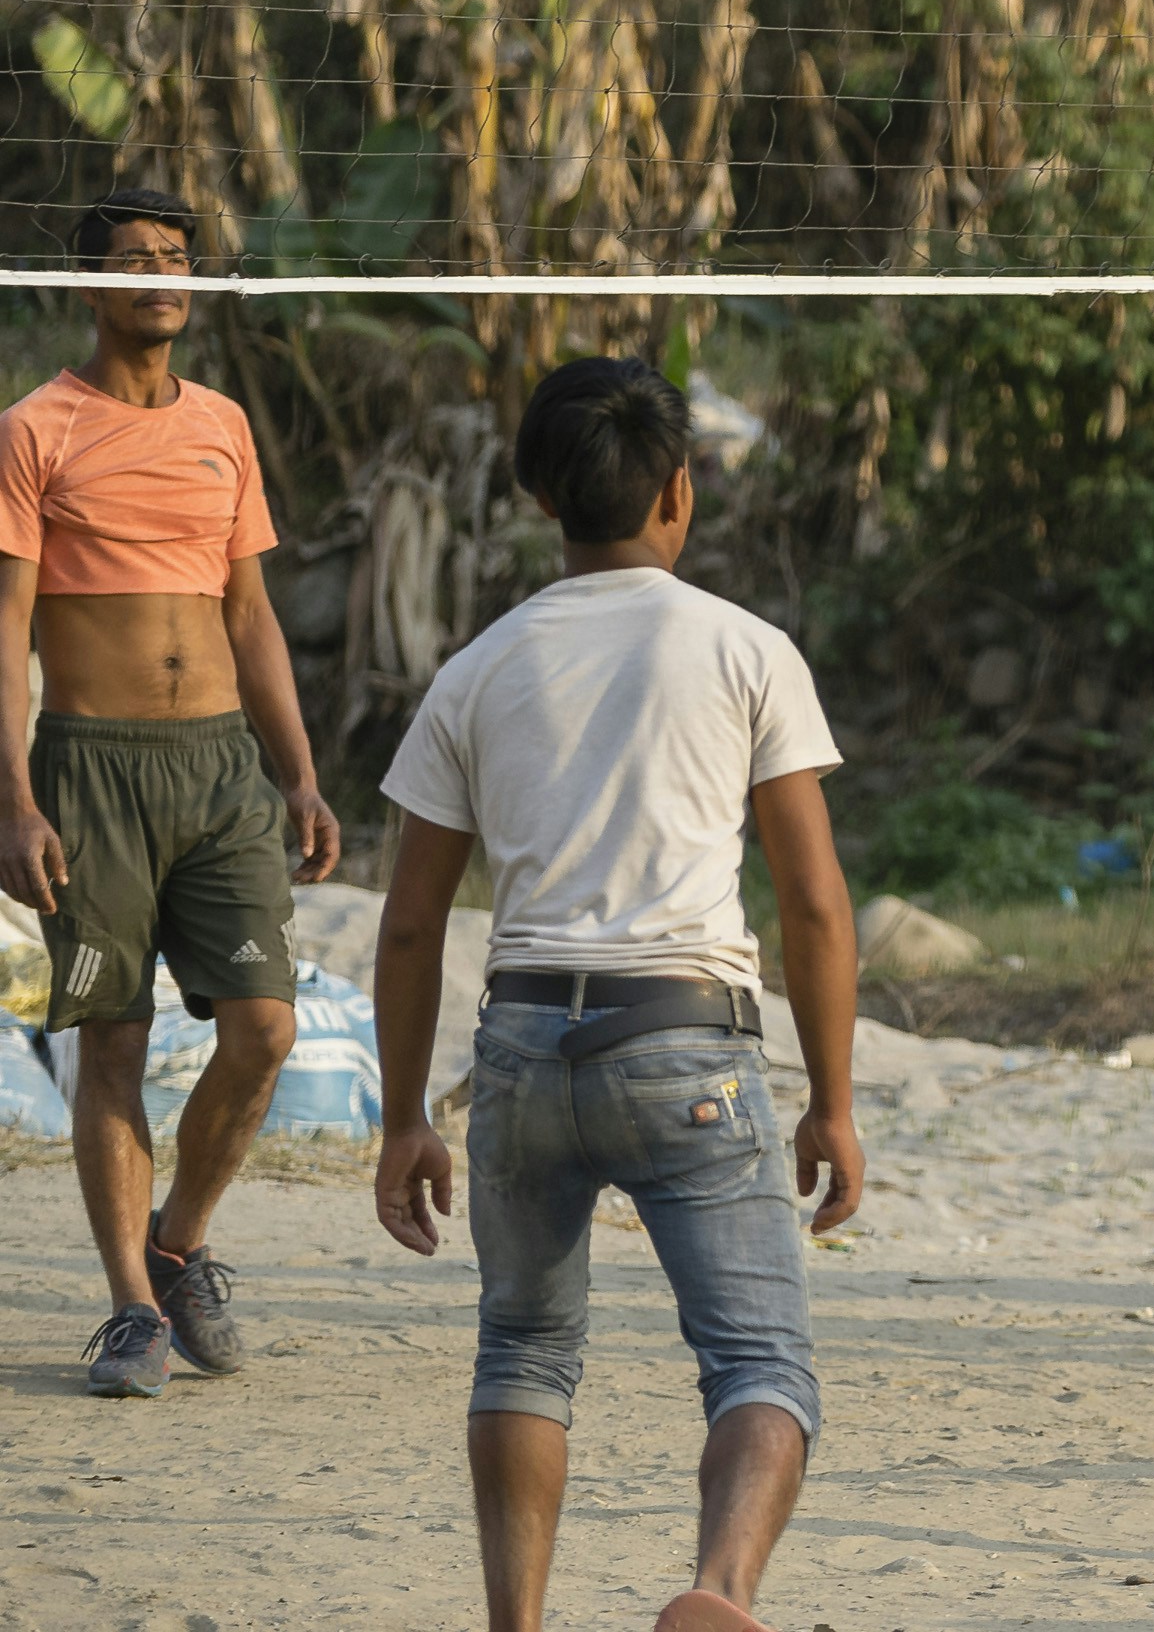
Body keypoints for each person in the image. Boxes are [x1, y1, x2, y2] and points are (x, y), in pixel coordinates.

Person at [370, 357, 863, 1632]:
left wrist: (404, 1119)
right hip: (686, 1043)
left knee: (525, 1355)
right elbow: (814, 904)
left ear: (545, 495)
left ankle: (517, 1627)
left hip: (525, 1044)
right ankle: (719, 1589)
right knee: (758, 1363)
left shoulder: (478, 670)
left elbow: (415, 920)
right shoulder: (746, 651)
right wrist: (836, 1105)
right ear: (679, 493)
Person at [0, 182, 341, 1398]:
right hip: (89, 770)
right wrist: (14, 800)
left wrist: (297, 774)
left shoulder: (226, 426)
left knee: (265, 1028)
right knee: (113, 1045)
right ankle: (133, 1312)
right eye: (137, 258)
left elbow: (250, 613)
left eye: (177, 259)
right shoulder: (35, 427)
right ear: (91, 285)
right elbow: (7, 625)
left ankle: (180, 1241)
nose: (161, 275)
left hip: (218, 773)